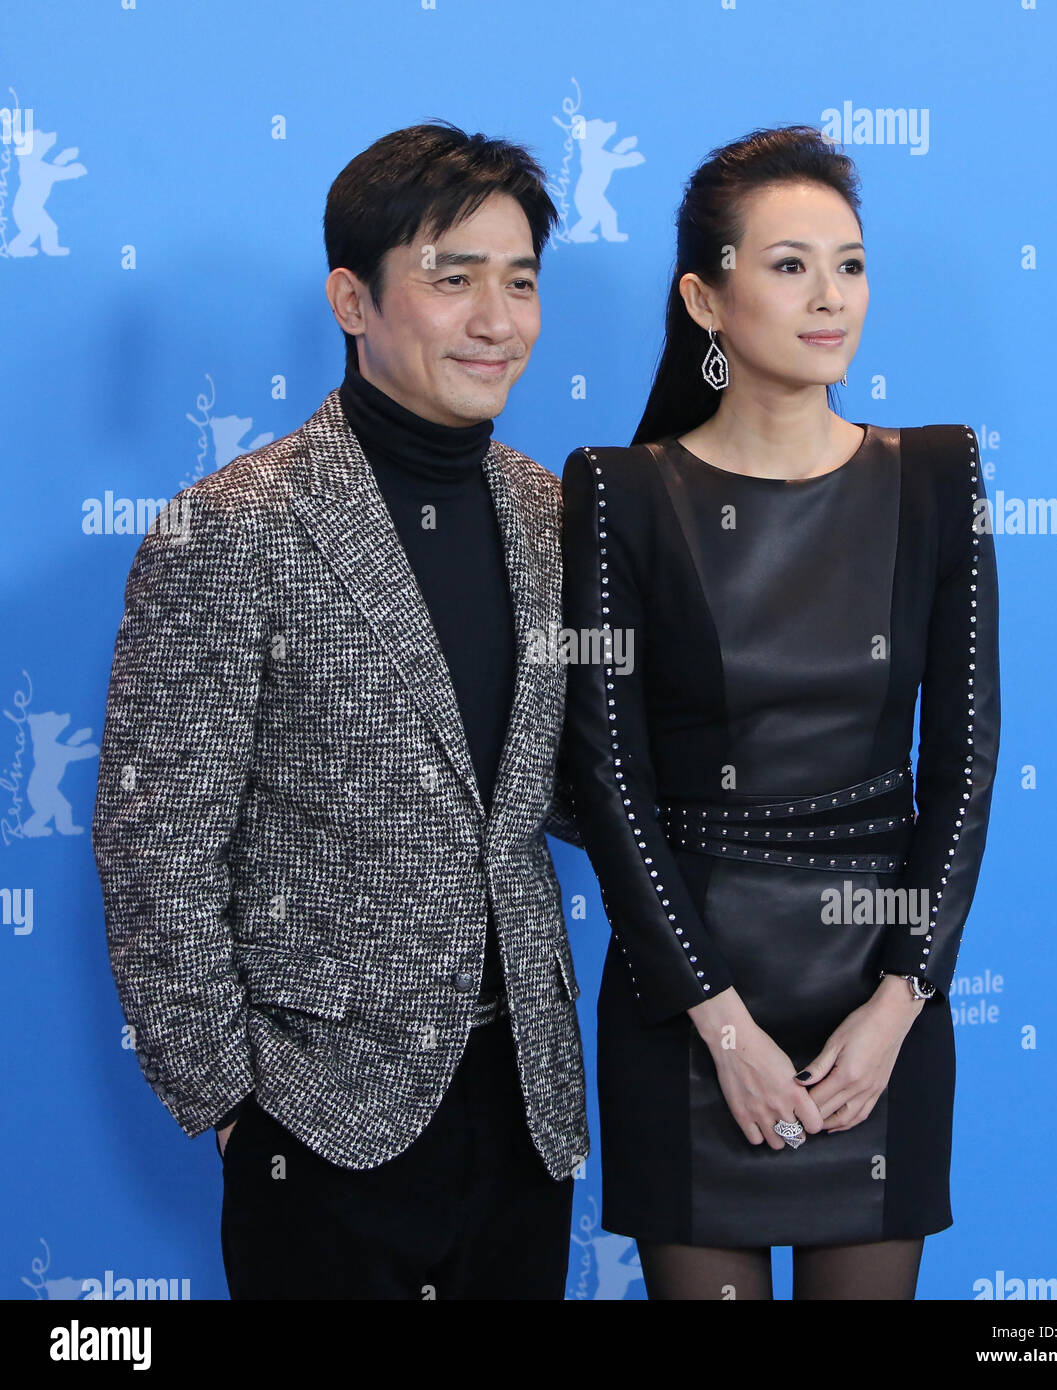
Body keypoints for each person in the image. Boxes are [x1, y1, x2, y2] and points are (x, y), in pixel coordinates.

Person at [91, 122, 588, 1300]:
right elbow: (154, 838)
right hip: (318, 1115)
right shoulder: (233, 523)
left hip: (523, 1103)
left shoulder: (549, 512)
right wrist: (230, 1102)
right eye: (452, 277)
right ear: (351, 299)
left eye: (520, 282)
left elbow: (557, 787)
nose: (496, 319)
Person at [560, 125, 1000, 1300]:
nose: (831, 297)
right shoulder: (617, 493)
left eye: (850, 264)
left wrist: (903, 1001)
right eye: (790, 264)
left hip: (881, 1001)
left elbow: (961, 762)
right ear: (706, 297)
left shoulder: (938, 475)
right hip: (690, 994)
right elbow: (608, 777)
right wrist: (721, 1022)